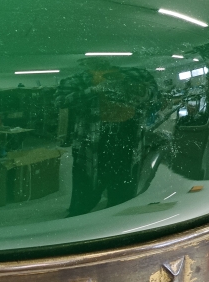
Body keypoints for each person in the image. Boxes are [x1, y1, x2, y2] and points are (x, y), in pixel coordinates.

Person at [56, 57, 159, 216]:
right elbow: (60, 102)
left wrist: (134, 88)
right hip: (91, 138)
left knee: (124, 178)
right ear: (82, 62)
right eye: (88, 59)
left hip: (128, 134)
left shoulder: (136, 74)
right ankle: (79, 215)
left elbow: (154, 94)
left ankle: (119, 214)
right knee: (87, 178)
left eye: (99, 58)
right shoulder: (74, 80)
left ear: (108, 58)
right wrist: (95, 90)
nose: (95, 61)